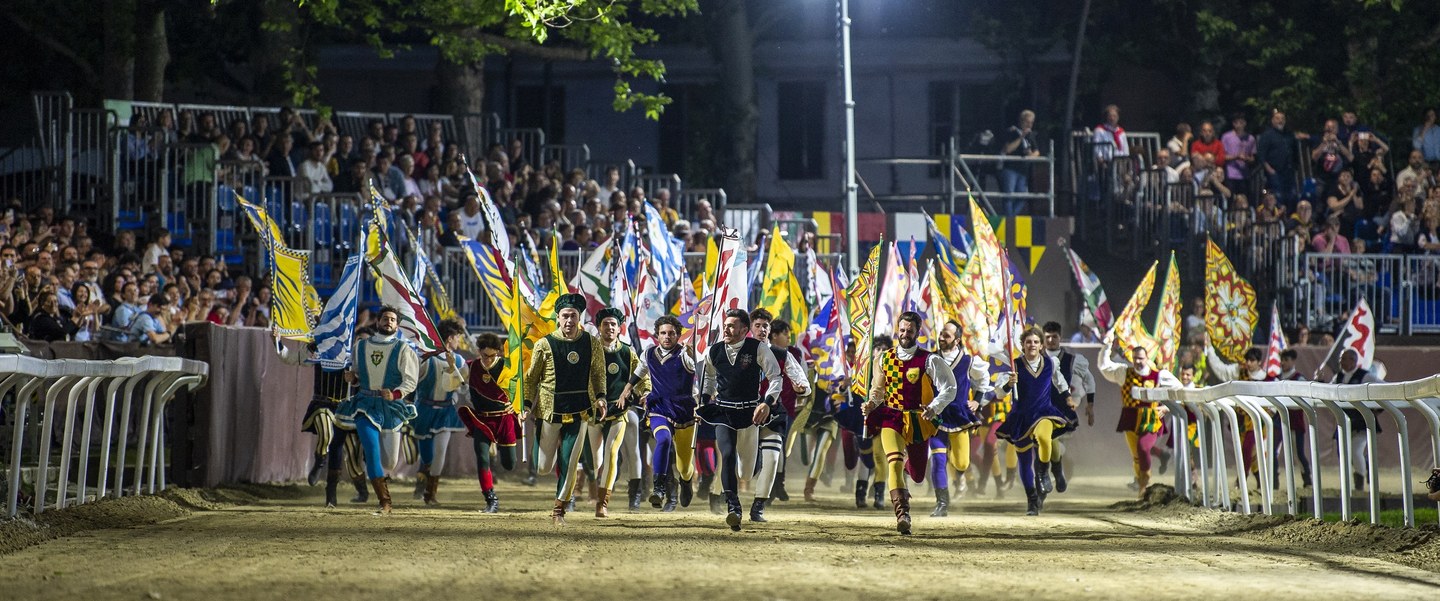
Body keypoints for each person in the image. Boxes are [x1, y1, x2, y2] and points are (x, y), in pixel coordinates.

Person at [862, 311, 957, 534]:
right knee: (893, 462)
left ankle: (909, 467)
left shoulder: (930, 360)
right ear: (898, 330)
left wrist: (934, 407)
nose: (905, 334)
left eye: (910, 331)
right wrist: (871, 404)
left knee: (917, 475)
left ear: (918, 332)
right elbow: (878, 390)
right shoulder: (884, 358)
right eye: (902, 330)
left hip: (918, 420)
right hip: (892, 417)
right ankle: (902, 514)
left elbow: (950, 388)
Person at [523, 293, 607, 524]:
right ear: (558, 318)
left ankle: (559, 509)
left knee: (570, 464)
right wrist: (527, 405)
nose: (569, 320)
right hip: (550, 410)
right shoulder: (544, 344)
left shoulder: (592, 343)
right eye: (565, 316)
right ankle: (550, 454)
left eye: (573, 316)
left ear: (579, 318)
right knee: (542, 467)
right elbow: (531, 379)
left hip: (580, 410)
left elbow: (599, 374)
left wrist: (601, 397)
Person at [696, 309, 783, 531]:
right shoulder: (714, 351)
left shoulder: (758, 348)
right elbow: (709, 379)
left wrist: (767, 403)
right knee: (726, 455)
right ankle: (733, 508)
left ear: (744, 330)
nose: (726, 329)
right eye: (725, 325)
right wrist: (704, 400)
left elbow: (775, 377)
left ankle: (756, 461)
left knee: (746, 473)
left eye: (732, 326)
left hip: (750, 415)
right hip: (724, 412)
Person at [337, 306, 420, 515]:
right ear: (378, 321)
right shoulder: (360, 346)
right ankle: (385, 503)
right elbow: (357, 374)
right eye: (385, 318)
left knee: (389, 462)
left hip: (391, 407)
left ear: (397, 325)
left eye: (392, 319)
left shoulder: (403, 349)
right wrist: (353, 378)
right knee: (372, 451)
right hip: (365, 404)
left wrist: (396, 394)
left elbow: (410, 381)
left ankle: (403, 435)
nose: (388, 322)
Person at [994, 328, 1072, 516]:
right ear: (1022, 345)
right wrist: (1009, 384)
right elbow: (1000, 393)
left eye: (1036, 342)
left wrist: (1067, 396)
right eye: (1028, 342)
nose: (1032, 345)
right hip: (1021, 416)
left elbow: (1060, 381)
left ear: (1041, 345)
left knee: (1044, 438)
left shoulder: (1050, 363)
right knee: (1024, 460)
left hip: (1043, 412)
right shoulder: (1014, 366)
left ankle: (1045, 472)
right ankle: (1032, 500)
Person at [622, 315, 696, 512]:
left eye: (671, 333)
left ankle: (686, 480)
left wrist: (695, 356)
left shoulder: (685, 355)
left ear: (678, 335)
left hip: (684, 412)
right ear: (657, 335)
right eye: (663, 333)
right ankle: (659, 489)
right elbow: (639, 372)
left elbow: (698, 368)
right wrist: (627, 389)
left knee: (684, 465)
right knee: (663, 440)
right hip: (659, 408)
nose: (667, 336)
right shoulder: (648, 353)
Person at [277, 336, 356, 508]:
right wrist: (277, 340)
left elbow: (367, 374)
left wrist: (355, 378)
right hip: (322, 402)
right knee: (326, 433)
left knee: (340, 450)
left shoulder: (354, 348)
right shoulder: (316, 347)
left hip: (344, 407)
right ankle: (320, 460)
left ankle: (332, 491)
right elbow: (291, 358)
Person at [1098, 338, 1181, 499]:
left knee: (1143, 448)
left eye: (1141, 358)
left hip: (1151, 419)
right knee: (1137, 455)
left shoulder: (1160, 375)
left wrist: (1167, 407)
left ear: (1147, 358)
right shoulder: (1124, 372)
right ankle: (1153, 466)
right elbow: (1104, 367)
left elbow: (1180, 391)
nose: (1137, 361)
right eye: (1135, 358)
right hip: (1130, 419)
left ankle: (1144, 485)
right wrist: (1106, 346)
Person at [923, 320, 989, 517]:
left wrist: (977, 400)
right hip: (936, 416)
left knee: (962, 463)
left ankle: (958, 471)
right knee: (938, 459)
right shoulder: (930, 359)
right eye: (941, 334)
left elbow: (984, 379)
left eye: (947, 335)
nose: (942, 338)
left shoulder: (969, 361)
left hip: (959, 416)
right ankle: (942, 503)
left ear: (957, 340)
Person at [586, 307, 646, 518]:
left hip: (619, 411)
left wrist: (645, 392)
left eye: (613, 324)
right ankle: (593, 484)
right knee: (595, 461)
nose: (610, 327)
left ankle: (602, 503)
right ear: (599, 327)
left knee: (611, 453)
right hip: (593, 413)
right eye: (605, 324)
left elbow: (641, 376)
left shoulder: (628, 352)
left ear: (620, 328)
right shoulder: (590, 351)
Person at [750, 317, 810, 523]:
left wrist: (801, 388)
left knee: (774, 458)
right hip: (743, 415)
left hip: (775, 414)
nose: (761, 329)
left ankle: (759, 506)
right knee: (745, 469)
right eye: (757, 326)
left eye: (765, 326)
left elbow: (803, 382)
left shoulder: (783, 354)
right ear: (749, 328)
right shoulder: (737, 351)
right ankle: (727, 493)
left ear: (770, 330)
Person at [458, 333, 521, 514]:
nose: (489, 359)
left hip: (505, 419)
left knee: (509, 464)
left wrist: (517, 405)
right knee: (482, 457)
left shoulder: (507, 367)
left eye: (493, 356)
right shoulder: (470, 367)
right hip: (483, 420)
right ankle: (490, 498)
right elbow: (450, 384)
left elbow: (520, 389)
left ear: (498, 353)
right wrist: (450, 368)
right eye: (485, 355)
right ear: (479, 352)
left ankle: (499, 447)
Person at [410, 319, 468, 506]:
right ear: (450, 338)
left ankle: (430, 493)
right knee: (427, 454)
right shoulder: (425, 359)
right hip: (425, 410)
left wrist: (455, 372)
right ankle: (422, 477)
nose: (459, 341)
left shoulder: (459, 361)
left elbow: (463, 389)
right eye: (457, 337)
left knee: (440, 452)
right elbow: (412, 382)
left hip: (445, 411)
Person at [1042, 321, 1096, 494]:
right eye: (1047, 337)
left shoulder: (1073, 360)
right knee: (1042, 443)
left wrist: (1089, 404)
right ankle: (1049, 476)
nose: (1051, 340)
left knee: (1051, 442)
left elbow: (1088, 380)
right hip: (1039, 410)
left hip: (1062, 411)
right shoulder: (1034, 358)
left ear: (1060, 337)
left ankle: (1055, 472)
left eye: (1054, 337)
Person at [1329, 348, 1382, 491]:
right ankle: (1358, 476)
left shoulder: (1366, 376)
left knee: (1356, 451)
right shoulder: (1338, 377)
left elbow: (1385, 388)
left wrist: (1378, 409)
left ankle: (1359, 485)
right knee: (1344, 454)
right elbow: (1328, 391)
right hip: (1344, 422)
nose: (1341, 362)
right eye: (1341, 359)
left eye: (1343, 359)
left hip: (1362, 423)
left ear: (1353, 360)